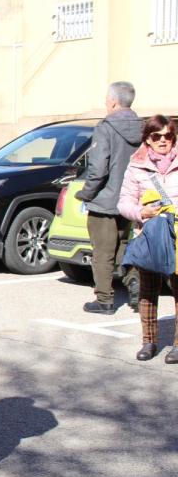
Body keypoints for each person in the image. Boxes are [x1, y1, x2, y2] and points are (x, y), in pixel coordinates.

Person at [74, 81, 143, 314]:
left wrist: (86, 193)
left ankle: (104, 299)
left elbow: (98, 168)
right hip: (130, 198)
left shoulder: (106, 127)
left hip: (105, 199)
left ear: (113, 102)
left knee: (102, 252)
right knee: (124, 246)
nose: (105, 103)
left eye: (106, 99)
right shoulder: (141, 126)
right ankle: (134, 281)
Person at [116, 115, 178, 362]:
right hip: (150, 234)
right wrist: (142, 212)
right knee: (148, 291)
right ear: (147, 140)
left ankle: (177, 345)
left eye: (168, 136)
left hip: (177, 235)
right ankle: (148, 342)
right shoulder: (136, 166)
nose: (163, 141)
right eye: (157, 136)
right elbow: (124, 203)